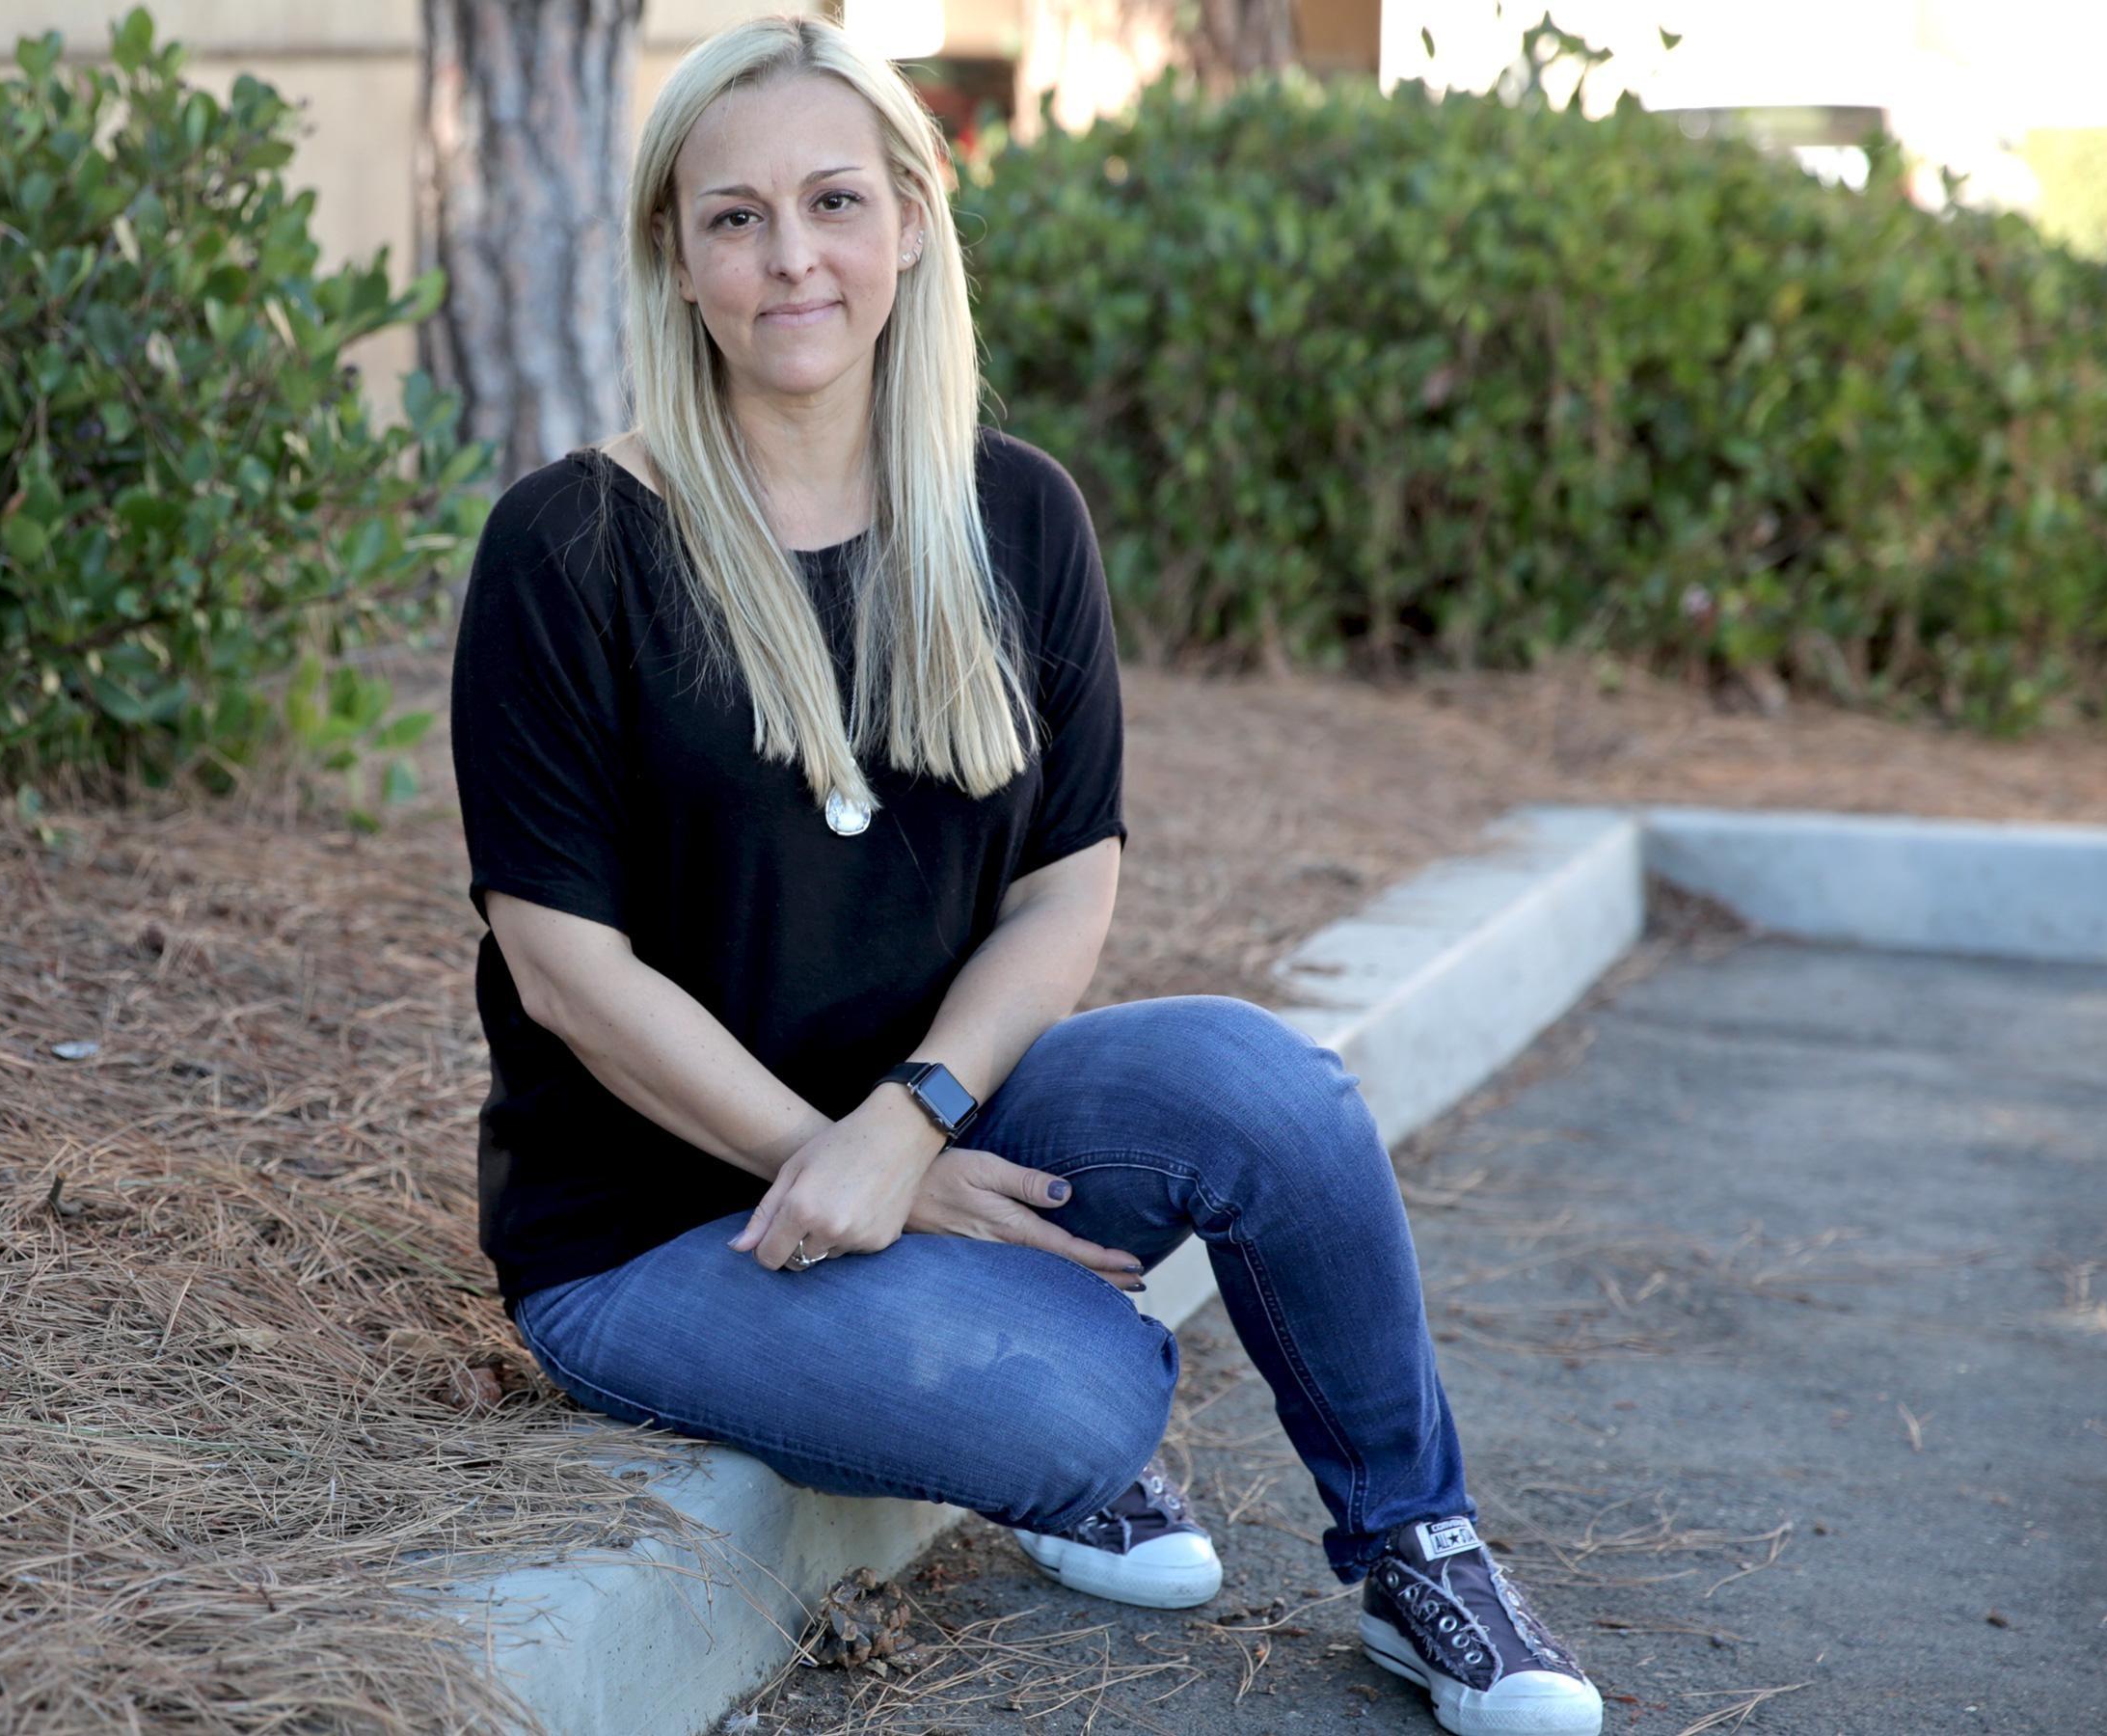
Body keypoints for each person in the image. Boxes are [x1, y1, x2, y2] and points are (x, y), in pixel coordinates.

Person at [445, 15, 1602, 1736]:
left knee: (1269, 1092)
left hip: (934, 1116)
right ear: (674, 262)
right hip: (658, 1225)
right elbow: (562, 968)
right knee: (1083, 1405)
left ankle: (1417, 1548)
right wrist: (837, 1166)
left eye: (833, 201)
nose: (791, 260)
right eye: (735, 218)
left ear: (911, 218)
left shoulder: (1014, 514)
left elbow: (1066, 886)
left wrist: (911, 1126)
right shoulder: (574, 544)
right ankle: (1014, 1422)